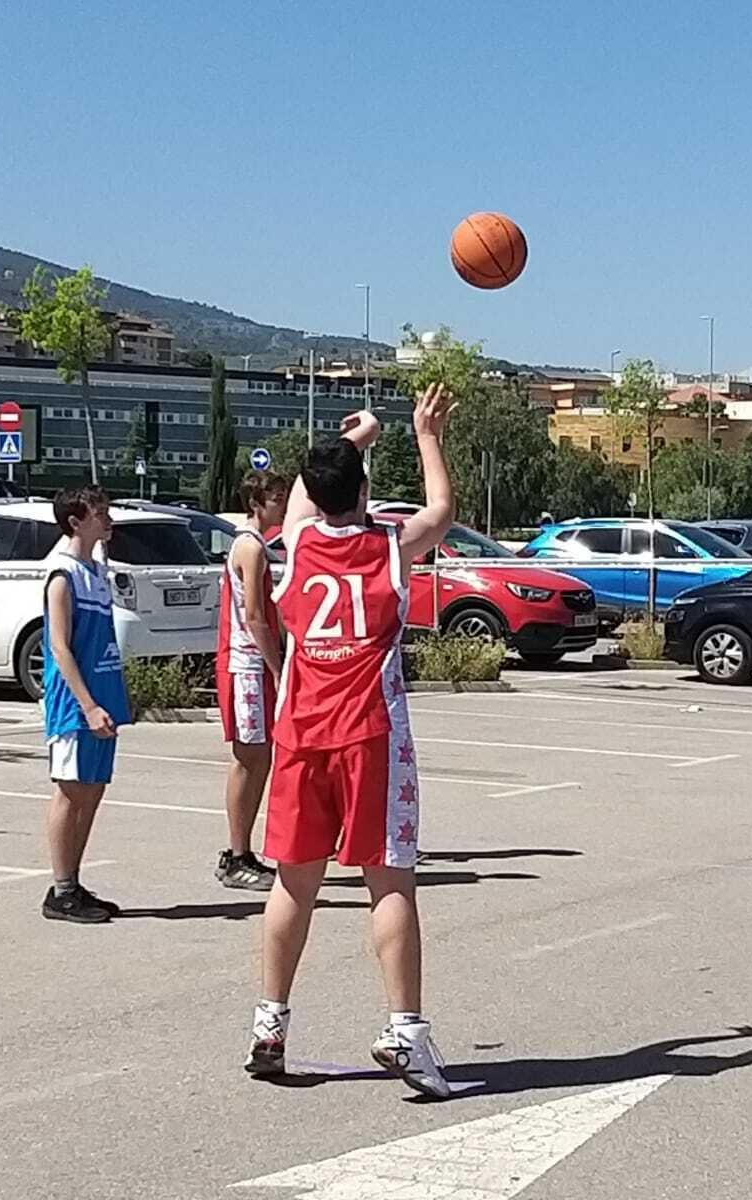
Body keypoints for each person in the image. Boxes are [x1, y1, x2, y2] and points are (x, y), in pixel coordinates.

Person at [244, 383, 457, 1099]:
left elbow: (314, 487)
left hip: (301, 730)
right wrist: (424, 434)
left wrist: (356, 441)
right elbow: (442, 511)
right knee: (390, 880)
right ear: (364, 492)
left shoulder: (297, 540)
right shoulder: (389, 548)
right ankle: (406, 1032)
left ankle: (269, 1025)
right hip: (370, 732)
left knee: (292, 884)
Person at [40, 485, 132, 923]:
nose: (107, 518)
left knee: (92, 791)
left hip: (104, 697)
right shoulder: (62, 574)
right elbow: (59, 647)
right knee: (70, 791)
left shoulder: (96, 569)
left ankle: (73, 882)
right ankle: (59, 891)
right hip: (76, 703)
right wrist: (88, 704)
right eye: (99, 512)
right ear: (76, 521)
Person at [214, 470, 290, 891]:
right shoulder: (250, 547)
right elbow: (256, 617)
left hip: (253, 664)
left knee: (260, 758)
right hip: (245, 665)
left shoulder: (257, 545)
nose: (281, 504)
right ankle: (236, 853)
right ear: (256, 503)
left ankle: (244, 851)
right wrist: (278, 669)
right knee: (249, 758)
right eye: (275, 498)